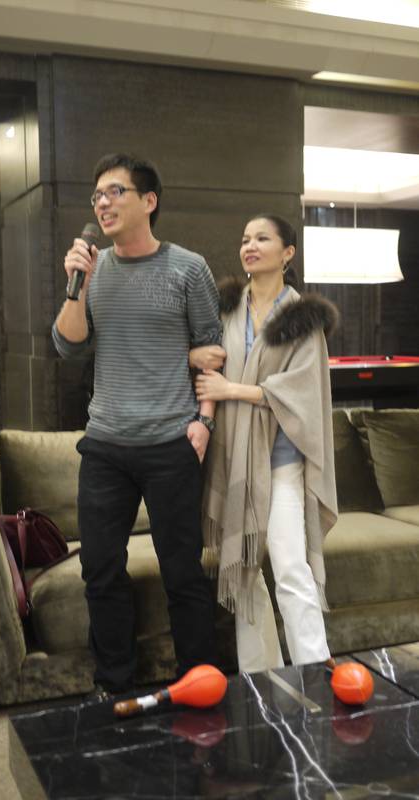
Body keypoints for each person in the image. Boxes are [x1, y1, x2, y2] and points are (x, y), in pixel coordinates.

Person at [52, 153, 222, 697]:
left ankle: (198, 683)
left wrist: (204, 423)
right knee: (100, 569)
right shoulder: (92, 269)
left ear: (149, 201)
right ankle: (115, 686)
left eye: (115, 192)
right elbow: (67, 346)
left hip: (172, 443)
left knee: (183, 572)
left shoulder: (187, 268)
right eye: (97, 195)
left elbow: (212, 351)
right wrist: (78, 284)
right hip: (105, 445)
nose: (102, 203)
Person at [191, 213, 339, 673]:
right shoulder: (227, 310)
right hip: (234, 458)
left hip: (282, 461)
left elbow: (302, 391)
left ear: (287, 253)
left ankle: (314, 670)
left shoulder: (303, 319)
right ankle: (262, 676)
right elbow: (207, 363)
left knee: (291, 567)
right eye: (245, 239)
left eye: (262, 238)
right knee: (244, 570)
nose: (249, 246)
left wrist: (230, 389)